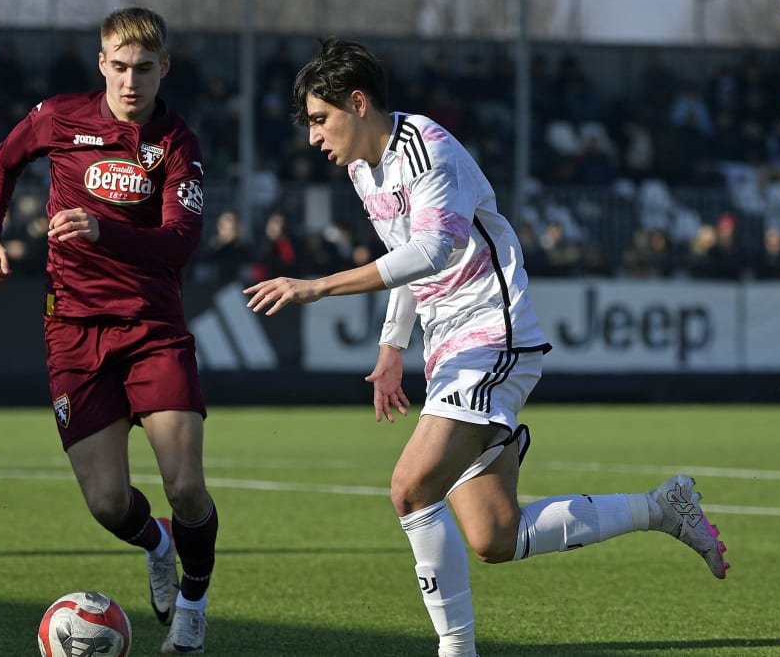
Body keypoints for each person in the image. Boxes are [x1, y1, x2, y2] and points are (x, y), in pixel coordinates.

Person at [244, 37, 728, 657]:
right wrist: (393, 346)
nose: (313, 137)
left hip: (491, 333)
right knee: (494, 534)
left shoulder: (426, 148)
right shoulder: (365, 169)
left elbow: (433, 252)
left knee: (410, 488)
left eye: (320, 118)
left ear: (357, 103)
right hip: (449, 346)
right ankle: (662, 508)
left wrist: (317, 286)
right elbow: (406, 263)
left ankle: (456, 650)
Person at [0, 7, 216, 654]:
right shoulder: (62, 117)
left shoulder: (177, 143)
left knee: (185, 483)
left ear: (164, 67)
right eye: (119, 66)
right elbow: (2, 163)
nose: (130, 80)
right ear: (101, 62)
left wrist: (100, 228)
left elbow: (179, 243)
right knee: (109, 503)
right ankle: (158, 543)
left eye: (144, 68)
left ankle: (193, 606)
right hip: (74, 333)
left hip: (151, 329)